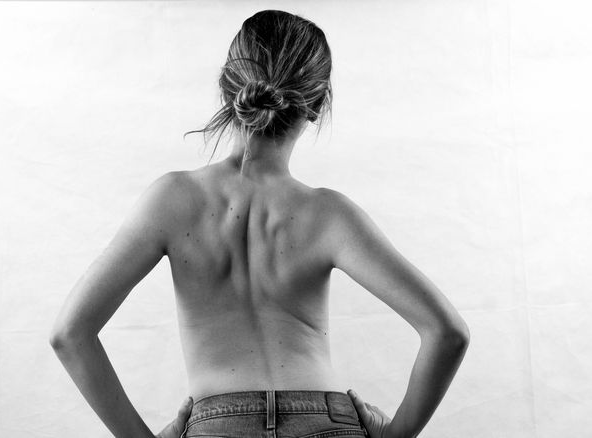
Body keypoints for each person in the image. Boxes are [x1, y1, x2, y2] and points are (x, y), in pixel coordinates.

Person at [49, 9, 470, 438]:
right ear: (317, 105)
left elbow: (70, 333)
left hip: (217, 424)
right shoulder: (330, 214)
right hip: (327, 424)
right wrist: (395, 436)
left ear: (227, 88)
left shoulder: (171, 200)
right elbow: (447, 332)